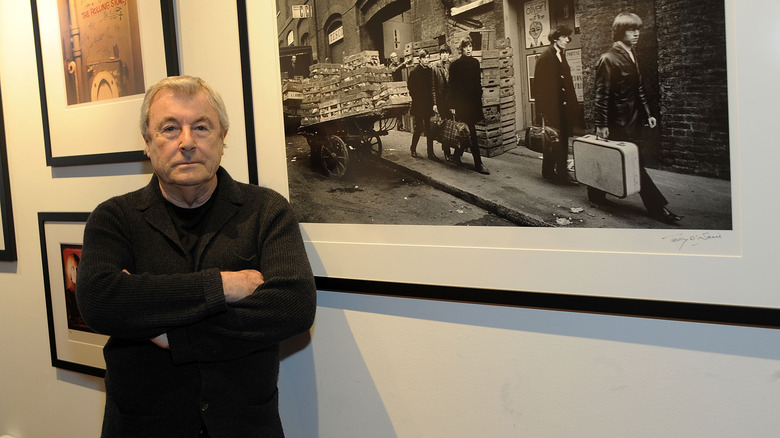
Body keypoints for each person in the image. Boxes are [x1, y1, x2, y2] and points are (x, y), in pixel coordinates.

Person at [76, 75, 317, 437]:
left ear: (223, 139)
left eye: (201, 127)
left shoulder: (266, 210)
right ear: (147, 142)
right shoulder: (114, 218)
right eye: (169, 128)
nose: (187, 142)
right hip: (144, 428)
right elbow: (100, 301)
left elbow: (293, 306)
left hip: (245, 427)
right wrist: (223, 285)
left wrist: (174, 335)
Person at [591, 12, 681, 224]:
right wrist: (601, 124)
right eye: (631, 30)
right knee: (634, 164)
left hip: (634, 121)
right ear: (620, 32)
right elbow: (600, 95)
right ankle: (657, 207)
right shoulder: (608, 59)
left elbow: (639, 88)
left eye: (637, 29)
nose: (636, 33)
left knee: (613, 158)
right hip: (618, 123)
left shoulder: (632, 55)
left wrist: (648, 114)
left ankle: (595, 193)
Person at [532, 24, 582, 185]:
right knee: (554, 139)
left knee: (563, 138)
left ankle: (558, 171)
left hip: (564, 107)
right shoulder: (545, 57)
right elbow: (538, 87)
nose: (568, 40)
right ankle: (551, 171)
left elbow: (567, 82)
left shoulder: (561, 54)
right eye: (565, 37)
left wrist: (574, 105)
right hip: (552, 108)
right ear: (555, 38)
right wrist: (541, 112)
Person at [449, 36, 490, 174]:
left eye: (470, 46)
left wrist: (479, 100)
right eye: (465, 47)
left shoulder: (475, 63)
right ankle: (478, 164)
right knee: (471, 133)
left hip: (473, 104)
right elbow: (452, 87)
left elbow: (478, 83)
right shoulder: (455, 65)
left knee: (465, 132)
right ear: (461, 49)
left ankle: (456, 156)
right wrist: (453, 106)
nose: (468, 49)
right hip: (462, 105)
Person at [407, 48, 439, 161]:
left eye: (427, 58)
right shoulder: (414, 72)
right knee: (419, 128)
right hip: (419, 105)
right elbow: (411, 89)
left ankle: (431, 153)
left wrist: (433, 103)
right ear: (420, 59)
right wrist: (417, 99)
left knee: (429, 129)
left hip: (427, 104)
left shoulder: (430, 71)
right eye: (424, 58)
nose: (426, 60)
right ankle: (413, 148)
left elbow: (432, 88)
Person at [431, 44, 455, 160]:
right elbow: (433, 87)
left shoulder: (452, 66)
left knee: (453, 125)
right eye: (442, 53)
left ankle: (455, 151)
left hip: (451, 101)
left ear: (449, 54)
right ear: (439, 55)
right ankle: (447, 152)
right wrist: (435, 103)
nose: (444, 55)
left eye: (446, 53)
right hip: (441, 102)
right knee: (445, 125)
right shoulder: (435, 67)